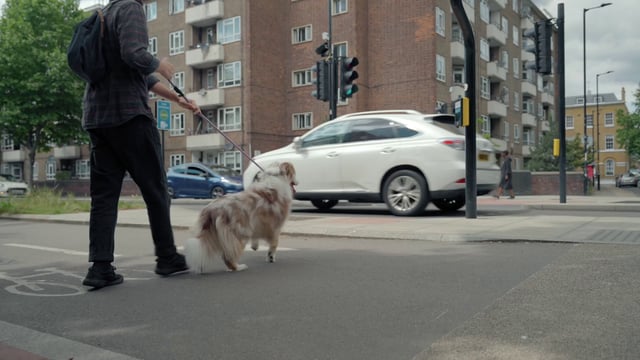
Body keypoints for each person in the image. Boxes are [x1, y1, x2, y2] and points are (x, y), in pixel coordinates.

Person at [81, 0, 200, 289]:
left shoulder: (104, 14)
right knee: (156, 189)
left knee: (104, 197)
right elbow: (134, 54)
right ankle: (167, 258)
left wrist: (176, 98)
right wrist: (159, 63)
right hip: (129, 116)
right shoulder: (131, 8)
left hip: (98, 117)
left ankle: (100, 268)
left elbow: (138, 74)